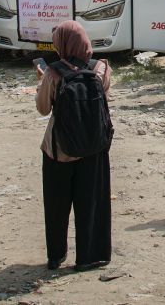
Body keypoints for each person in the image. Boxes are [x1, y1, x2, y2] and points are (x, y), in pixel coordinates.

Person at [36, 21, 112, 272]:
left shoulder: (53, 71)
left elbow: (43, 108)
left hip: (60, 149)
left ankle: (56, 256)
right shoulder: (101, 67)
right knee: (92, 202)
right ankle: (90, 256)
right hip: (94, 146)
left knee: (57, 205)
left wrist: (42, 83)